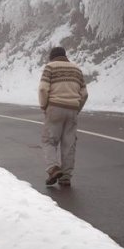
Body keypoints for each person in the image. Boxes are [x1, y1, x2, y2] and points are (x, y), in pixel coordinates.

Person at [38, 47, 88, 187]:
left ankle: (53, 168)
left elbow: (43, 88)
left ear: (52, 57)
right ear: (65, 56)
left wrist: (44, 106)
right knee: (69, 144)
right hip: (72, 109)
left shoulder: (50, 67)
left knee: (49, 141)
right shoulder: (76, 69)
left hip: (54, 107)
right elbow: (84, 94)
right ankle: (65, 177)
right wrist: (77, 108)